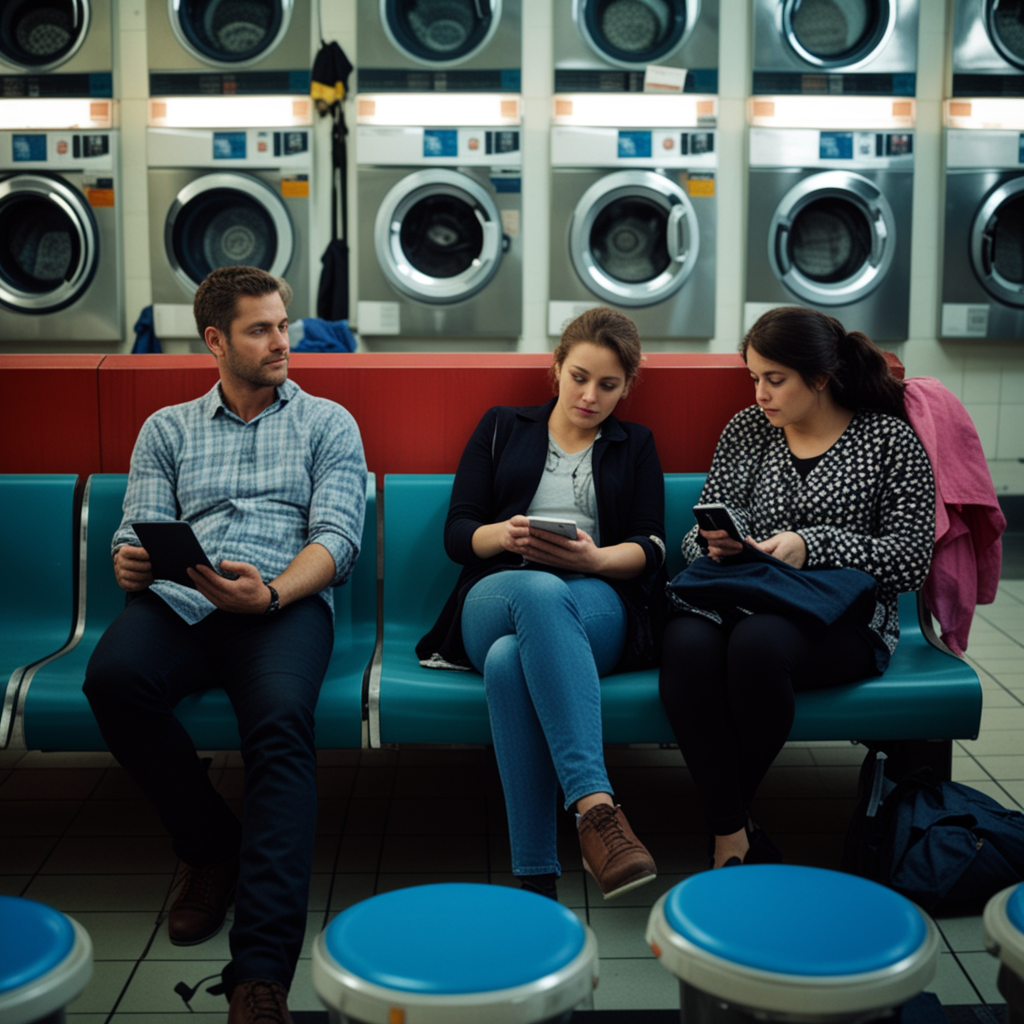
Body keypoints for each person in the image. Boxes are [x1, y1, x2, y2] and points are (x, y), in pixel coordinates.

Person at [83, 266, 367, 1024]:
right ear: (216, 341)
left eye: (284, 324)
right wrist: (128, 558)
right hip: (180, 600)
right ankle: (210, 846)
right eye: (261, 329)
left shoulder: (328, 421)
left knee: (279, 724)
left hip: (281, 603)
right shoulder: (166, 428)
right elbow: (134, 526)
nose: (283, 341)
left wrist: (270, 593)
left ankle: (260, 972)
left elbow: (337, 540)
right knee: (111, 681)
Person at [658, 305, 935, 869]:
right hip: (735, 594)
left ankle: (724, 827)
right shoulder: (747, 430)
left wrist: (814, 546)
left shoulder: (889, 441)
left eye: (774, 379)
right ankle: (733, 831)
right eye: (754, 378)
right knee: (686, 647)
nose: (760, 393)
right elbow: (698, 532)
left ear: (820, 376)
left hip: (844, 620)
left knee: (759, 646)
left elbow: (910, 561)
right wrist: (715, 544)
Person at [416, 306, 666, 901]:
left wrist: (596, 560)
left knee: (508, 661)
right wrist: (506, 536)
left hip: (597, 600)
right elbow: (459, 534)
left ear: (626, 387)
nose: (590, 395)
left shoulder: (635, 445)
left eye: (608, 385)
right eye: (579, 376)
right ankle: (595, 808)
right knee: (536, 589)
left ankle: (535, 877)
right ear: (556, 369)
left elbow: (652, 545)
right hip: (498, 591)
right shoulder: (503, 425)